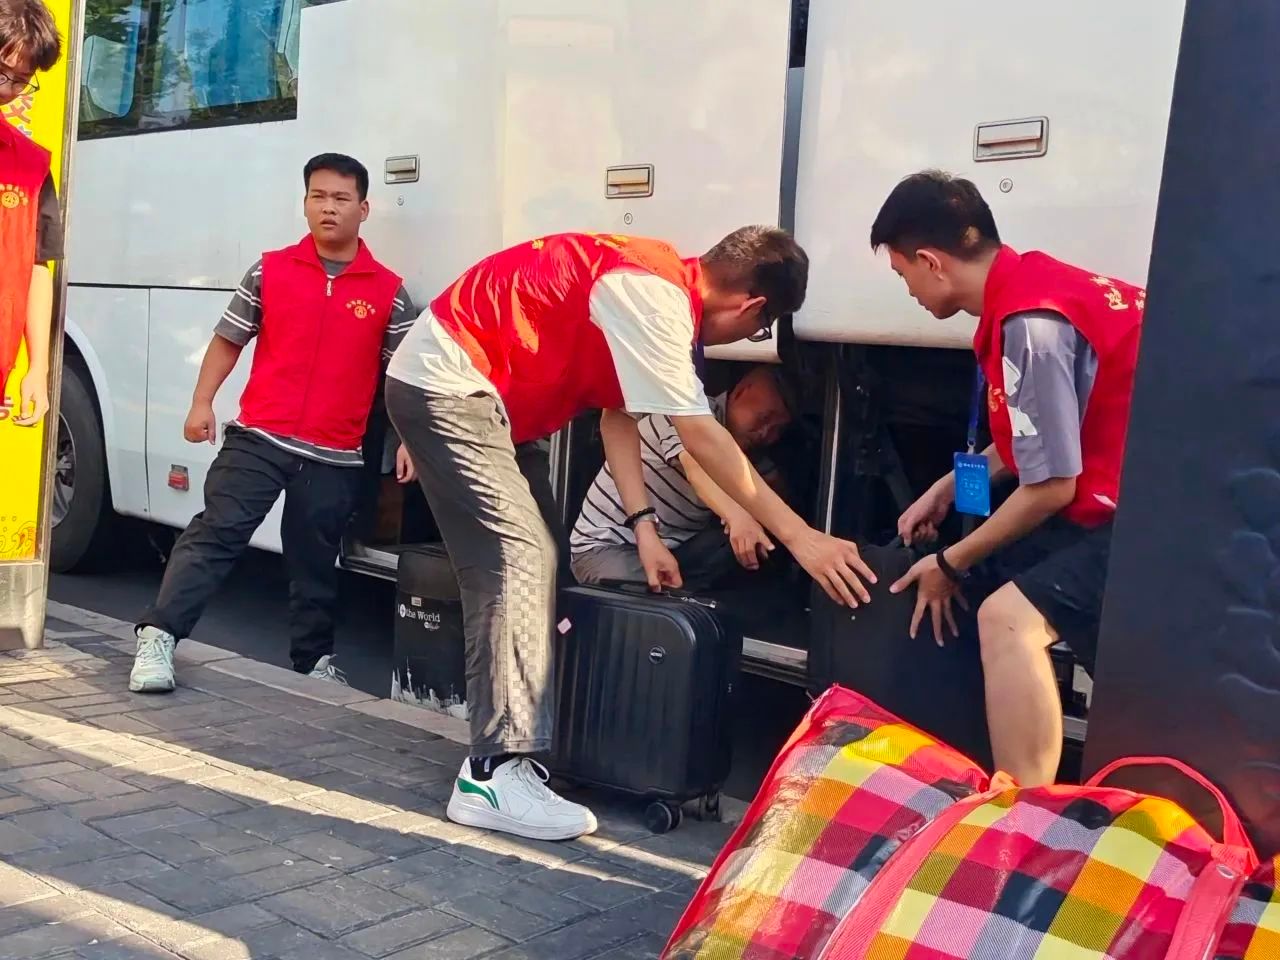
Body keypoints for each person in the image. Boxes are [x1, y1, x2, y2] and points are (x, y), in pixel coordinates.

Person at [387, 228, 874, 841]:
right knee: (516, 560)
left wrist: (644, 528)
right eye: (758, 330)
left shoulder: (654, 290)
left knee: (544, 561)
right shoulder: (654, 295)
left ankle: (524, 750)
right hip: (451, 383)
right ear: (751, 307)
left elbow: (618, 416)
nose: (745, 339)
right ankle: (491, 773)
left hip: (492, 400)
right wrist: (801, 536)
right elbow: (699, 435)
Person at [871, 170, 1143, 786]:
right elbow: (1041, 434)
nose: (909, 291)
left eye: (904, 275)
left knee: (1007, 619)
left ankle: (1020, 808)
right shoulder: (1037, 287)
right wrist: (947, 487)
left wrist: (949, 563)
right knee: (997, 577)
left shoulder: (1031, 324)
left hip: (1152, 516)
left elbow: (1052, 486)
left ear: (931, 262)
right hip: (1142, 495)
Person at [129, 154, 417, 694]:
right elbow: (228, 340)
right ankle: (158, 636)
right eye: (318, 196)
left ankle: (313, 664)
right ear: (305, 203)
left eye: (341, 199)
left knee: (315, 562)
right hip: (259, 436)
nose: (328, 208)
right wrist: (201, 403)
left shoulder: (388, 291)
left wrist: (409, 440)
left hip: (334, 452)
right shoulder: (269, 270)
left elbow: (402, 378)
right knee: (216, 534)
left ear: (364, 209)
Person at [570, 364, 796, 591]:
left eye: (777, 430)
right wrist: (737, 516)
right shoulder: (689, 411)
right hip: (605, 548)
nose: (766, 432)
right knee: (659, 594)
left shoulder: (750, 455)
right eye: (764, 418)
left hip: (674, 549)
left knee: (743, 544)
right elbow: (696, 469)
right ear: (740, 392)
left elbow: (776, 498)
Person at [0, 0, 61, 427]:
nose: (6, 90)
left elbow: (38, 264)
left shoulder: (31, 165)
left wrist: (38, 368)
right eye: (1, 73)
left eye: (20, 81)